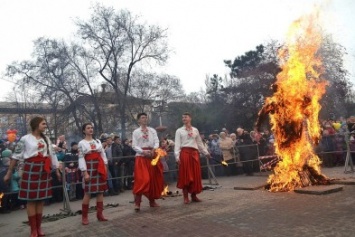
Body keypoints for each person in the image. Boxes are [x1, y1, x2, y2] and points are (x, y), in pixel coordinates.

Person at [3, 116, 61, 237]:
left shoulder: (47, 139)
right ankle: (33, 229)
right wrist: (9, 172)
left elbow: (52, 155)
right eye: (43, 124)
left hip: (44, 170)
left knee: (40, 200)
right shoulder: (25, 139)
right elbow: (16, 156)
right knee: (31, 200)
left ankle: (39, 227)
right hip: (31, 170)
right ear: (36, 125)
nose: (45, 126)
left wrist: (56, 170)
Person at [174, 112, 211, 204]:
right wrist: (177, 157)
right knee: (186, 176)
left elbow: (199, 143)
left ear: (190, 118)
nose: (184, 119)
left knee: (195, 175)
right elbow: (177, 145)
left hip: (194, 154)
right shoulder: (179, 131)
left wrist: (206, 152)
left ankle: (194, 196)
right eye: (182, 117)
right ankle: (185, 197)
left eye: (185, 117)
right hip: (185, 154)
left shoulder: (195, 130)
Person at [78, 123, 108, 225]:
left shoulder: (97, 141)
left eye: (91, 128)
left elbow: (102, 154)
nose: (90, 129)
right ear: (84, 130)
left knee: (100, 191)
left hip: (98, 166)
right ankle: (84, 217)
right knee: (88, 192)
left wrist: (105, 165)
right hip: (89, 167)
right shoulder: (81, 143)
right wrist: (85, 172)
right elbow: (81, 157)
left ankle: (100, 214)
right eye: (88, 128)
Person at [131, 112, 163, 211]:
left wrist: (154, 149)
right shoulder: (136, 132)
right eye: (142, 118)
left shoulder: (152, 130)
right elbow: (134, 145)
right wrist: (143, 152)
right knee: (142, 180)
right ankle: (137, 203)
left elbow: (157, 141)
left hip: (152, 156)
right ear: (139, 120)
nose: (144, 119)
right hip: (141, 157)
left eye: (145, 117)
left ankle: (152, 201)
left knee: (152, 179)